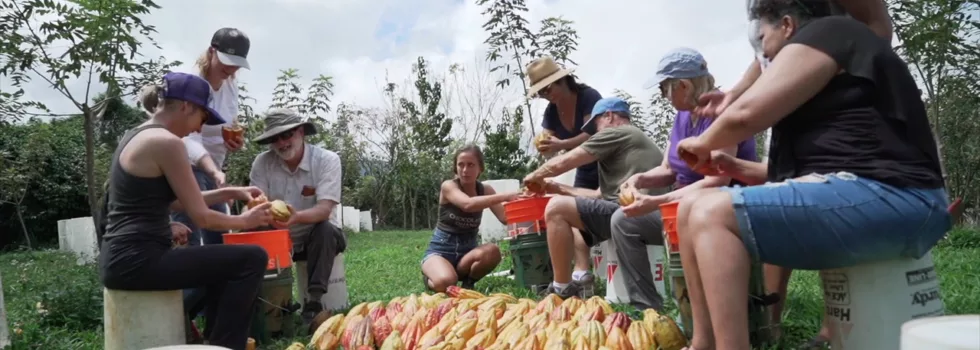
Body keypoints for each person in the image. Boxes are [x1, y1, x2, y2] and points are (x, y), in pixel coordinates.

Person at [672, 0, 951, 348]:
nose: (762, 57)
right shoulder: (822, 90)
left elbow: (746, 116)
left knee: (713, 214)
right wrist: (734, 166)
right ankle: (703, 343)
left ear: (788, 26)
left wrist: (703, 141)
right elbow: (801, 180)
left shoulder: (830, 31)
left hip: (901, 196)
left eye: (762, 41)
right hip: (866, 193)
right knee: (692, 206)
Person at [99, 72, 272, 350]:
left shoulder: (139, 134)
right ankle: (226, 345)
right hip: (138, 261)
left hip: (122, 259)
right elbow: (202, 216)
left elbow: (175, 201)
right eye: (202, 119)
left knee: (223, 263)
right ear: (186, 107)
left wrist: (230, 192)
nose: (199, 129)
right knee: (252, 258)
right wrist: (245, 219)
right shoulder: (167, 143)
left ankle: (214, 342)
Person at [609, 48, 758, 312]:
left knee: (690, 217)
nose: (664, 96)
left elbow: (718, 180)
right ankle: (647, 307)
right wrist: (639, 179)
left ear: (684, 85)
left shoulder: (723, 111)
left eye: (665, 89)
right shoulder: (682, 117)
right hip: (679, 207)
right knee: (623, 220)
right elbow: (668, 167)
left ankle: (711, 308)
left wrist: (656, 202)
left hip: (722, 208)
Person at [523, 97, 665, 299]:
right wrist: (556, 187)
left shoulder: (619, 132)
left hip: (636, 214)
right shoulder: (630, 143)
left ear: (609, 116)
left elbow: (568, 160)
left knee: (556, 209)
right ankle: (581, 275)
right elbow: (598, 195)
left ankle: (561, 290)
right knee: (570, 216)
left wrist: (534, 175)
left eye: (596, 124)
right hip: (645, 215)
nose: (595, 132)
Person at [248, 108, 347, 324]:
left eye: (287, 135)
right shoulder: (262, 163)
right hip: (277, 235)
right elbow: (256, 203)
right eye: (275, 139)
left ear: (301, 132)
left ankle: (314, 303)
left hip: (318, 235)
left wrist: (297, 217)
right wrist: (260, 212)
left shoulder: (327, 160)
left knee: (325, 228)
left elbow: (324, 209)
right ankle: (263, 304)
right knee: (252, 231)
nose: (282, 143)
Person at [525, 55, 605, 291]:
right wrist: (544, 145)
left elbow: (595, 136)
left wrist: (561, 145)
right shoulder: (551, 111)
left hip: (607, 164)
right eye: (541, 92)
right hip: (583, 167)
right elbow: (547, 141)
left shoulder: (589, 97)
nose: (546, 95)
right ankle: (581, 272)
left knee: (599, 206)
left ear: (563, 81)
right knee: (572, 212)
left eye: (548, 88)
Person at [173, 26, 252, 246]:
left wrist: (234, 143)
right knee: (189, 233)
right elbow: (189, 138)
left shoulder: (231, 84)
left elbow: (228, 126)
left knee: (219, 233)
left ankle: (216, 280)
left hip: (215, 169)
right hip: (188, 167)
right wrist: (214, 171)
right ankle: (191, 281)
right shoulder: (193, 85)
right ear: (211, 52)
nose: (231, 68)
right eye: (227, 60)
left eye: (236, 63)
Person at [421, 144, 519, 292]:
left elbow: (505, 217)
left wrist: (527, 203)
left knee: (493, 251)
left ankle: (469, 283)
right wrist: (507, 196)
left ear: (480, 168)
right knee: (446, 282)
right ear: (455, 168)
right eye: (461, 165)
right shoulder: (449, 186)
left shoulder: (485, 190)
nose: (465, 170)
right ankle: (431, 278)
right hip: (441, 251)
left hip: (467, 254)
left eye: (471, 165)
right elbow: (467, 204)